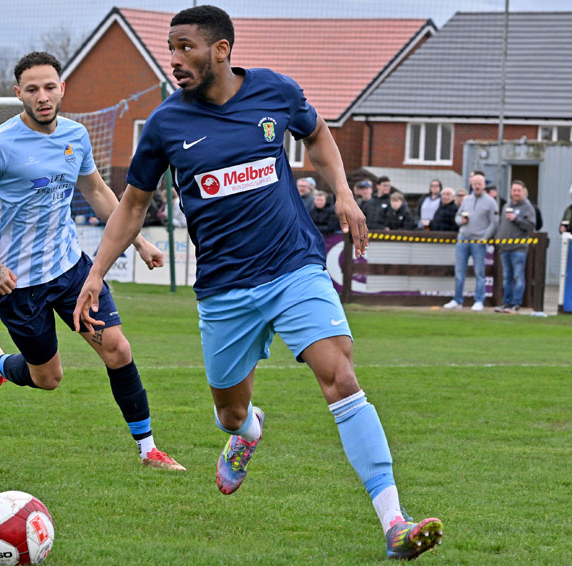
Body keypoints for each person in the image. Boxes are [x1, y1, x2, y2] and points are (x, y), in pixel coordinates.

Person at [73, 6, 442, 560]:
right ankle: (247, 432)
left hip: (294, 266)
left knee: (341, 377)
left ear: (221, 50)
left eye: (185, 47)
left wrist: (343, 192)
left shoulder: (275, 91)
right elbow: (132, 205)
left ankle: (394, 522)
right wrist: (97, 273)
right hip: (224, 290)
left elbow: (318, 135)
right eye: (171, 49)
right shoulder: (165, 124)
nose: (174, 59)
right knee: (229, 411)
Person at [0, 51, 184, 472]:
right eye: (32, 89)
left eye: (49, 87)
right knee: (48, 378)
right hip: (19, 284)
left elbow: (96, 191)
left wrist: (138, 241)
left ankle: (148, 450)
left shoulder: (76, 135)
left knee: (118, 349)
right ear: (18, 93)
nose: (42, 97)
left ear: (62, 88)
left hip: (71, 270)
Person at [444, 173, 499, 311]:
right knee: (459, 271)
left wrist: (485, 238)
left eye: (479, 183)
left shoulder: (491, 202)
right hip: (463, 238)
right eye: (474, 184)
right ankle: (457, 300)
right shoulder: (466, 200)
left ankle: (479, 300)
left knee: (479, 272)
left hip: (478, 240)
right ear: (471, 185)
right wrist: (460, 221)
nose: (477, 186)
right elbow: (457, 216)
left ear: (484, 185)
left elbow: (494, 223)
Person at [493, 181, 536, 314]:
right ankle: (506, 303)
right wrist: (498, 239)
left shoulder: (527, 207)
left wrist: (516, 218)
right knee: (507, 277)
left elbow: (531, 226)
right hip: (505, 247)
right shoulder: (506, 205)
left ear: (523, 191)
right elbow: (502, 224)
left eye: (518, 190)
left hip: (518, 248)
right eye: (514, 190)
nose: (516, 193)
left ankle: (516, 304)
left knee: (518, 276)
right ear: (511, 191)